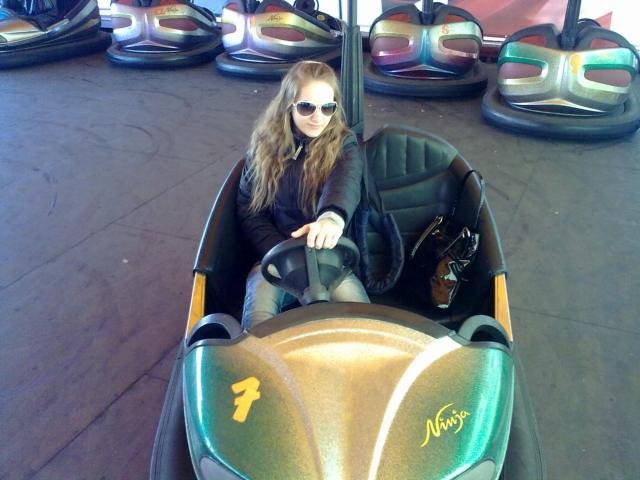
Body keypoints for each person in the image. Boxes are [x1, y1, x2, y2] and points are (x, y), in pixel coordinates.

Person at [237, 60, 370, 328]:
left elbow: (344, 184)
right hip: (276, 255)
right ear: (289, 105)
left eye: (327, 108)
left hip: (329, 255)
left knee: (364, 326)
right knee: (258, 324)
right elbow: (249, 209)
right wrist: (276, 252)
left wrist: (331, 219)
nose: (318, 117)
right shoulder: (264, 146)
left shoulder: (344, 144)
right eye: (307, 107)